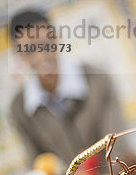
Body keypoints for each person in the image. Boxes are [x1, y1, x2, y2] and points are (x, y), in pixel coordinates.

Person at [9, 9, 125, 164]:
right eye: (29, 51)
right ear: (19, 54)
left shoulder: (98, 79)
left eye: (46, 45)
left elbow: (118, 143)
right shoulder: (19, 109)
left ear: (56, 39)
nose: (41, 56)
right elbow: (38, 165)